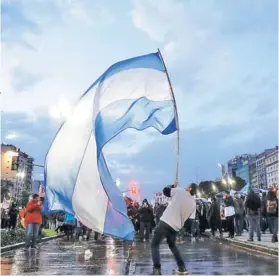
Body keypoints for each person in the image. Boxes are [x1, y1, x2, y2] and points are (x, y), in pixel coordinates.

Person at [151, 182, 196, 275]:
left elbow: (165, 191)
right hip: (176, 227)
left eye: (188, 185)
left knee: (154, 244)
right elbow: (190, 220)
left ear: (190, 189)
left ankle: (157, 269)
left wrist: (172, 186)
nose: (186, 186)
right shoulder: (193, 203)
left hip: (165, 222)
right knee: (172, 245)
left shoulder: (180, 191)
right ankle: (182, 267)